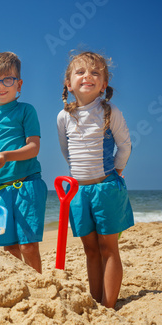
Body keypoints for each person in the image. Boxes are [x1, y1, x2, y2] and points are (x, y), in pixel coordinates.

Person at [57, 51, 134, 308]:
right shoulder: (63, 117)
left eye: (95, 73)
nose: (87, 76)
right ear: (68, 83)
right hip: (78, 191)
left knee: (108, 247)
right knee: (90, 249)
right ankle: (96, 302)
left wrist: (117, 171)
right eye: (80, 72)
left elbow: (124, 145)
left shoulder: (110, 112)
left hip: (106, 187)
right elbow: (66, 151)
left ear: (103, 84)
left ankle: (109, 305)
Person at [0, 51, 47, 273]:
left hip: (28, 184)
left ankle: (39, 284)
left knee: (28, 246)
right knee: (10, 248)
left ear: (19, 84)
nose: (1, 86)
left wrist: (7, 156)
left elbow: (33, 147)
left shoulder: (25, 111)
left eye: (8, 79)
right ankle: (21, 287)